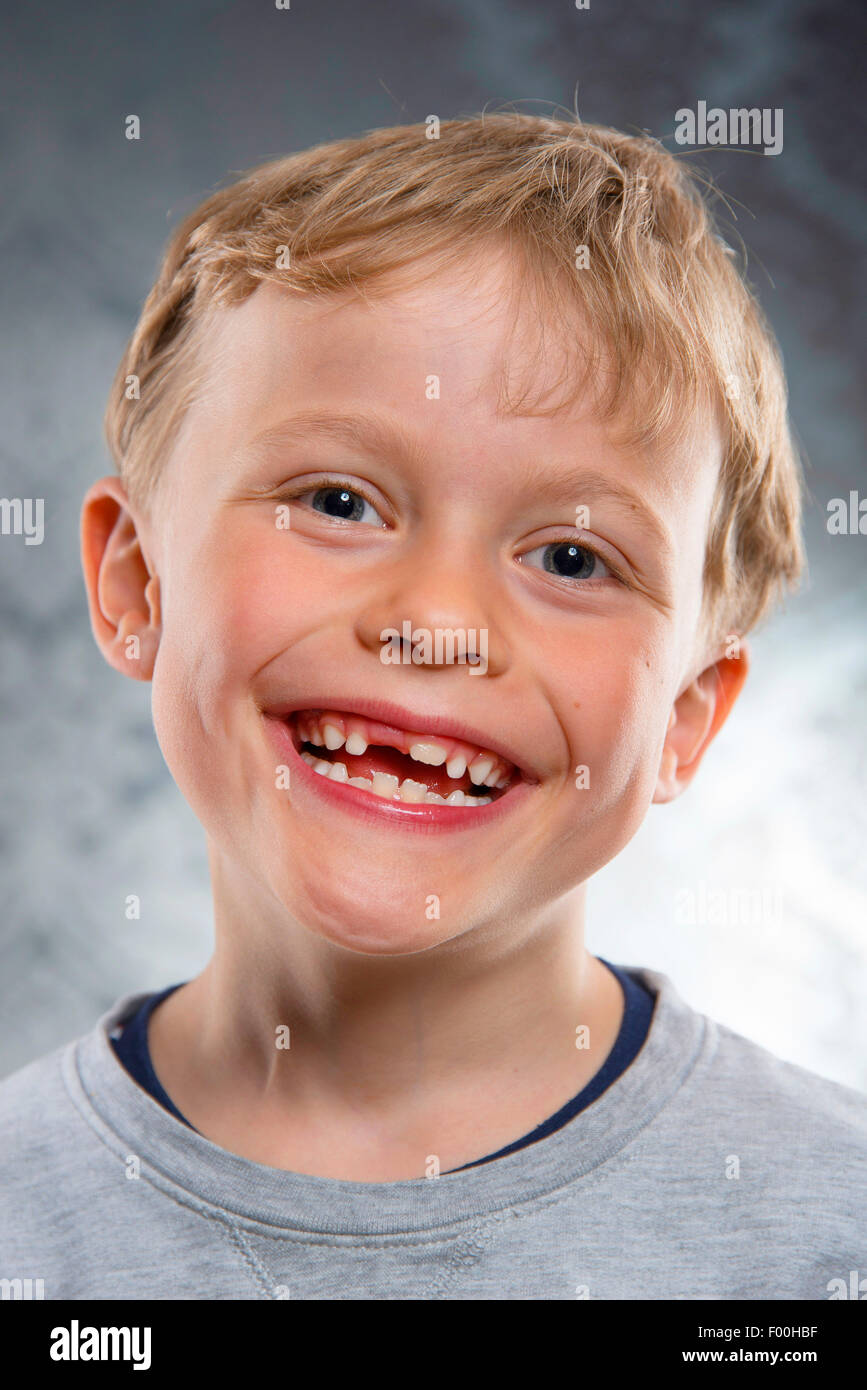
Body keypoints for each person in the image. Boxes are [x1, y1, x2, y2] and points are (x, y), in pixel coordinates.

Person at [1, 113, 863, 1300]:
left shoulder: (832, 1233)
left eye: (571, 559)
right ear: (135, 582)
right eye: (340, 500)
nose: (436, 623)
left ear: (685, 719)